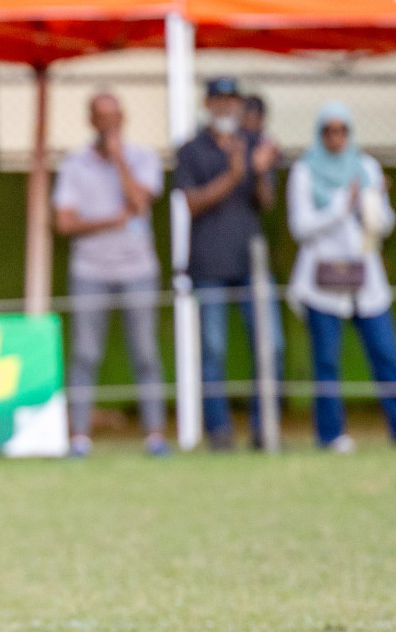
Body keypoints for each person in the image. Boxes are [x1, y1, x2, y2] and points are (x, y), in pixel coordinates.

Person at [288, 102, 396, 454]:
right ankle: (331, 434)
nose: (335, 138)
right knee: (327, 360)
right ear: (320, 135)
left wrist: (372, 203)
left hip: (367, 282)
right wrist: (340, 207)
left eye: (341, 130)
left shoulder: (366, 168)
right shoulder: (304, 172)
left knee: (386, 354)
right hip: (323, 283)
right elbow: (300, 227)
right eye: (328, 131)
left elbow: (385, 224)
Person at [53, 93, 168, 457]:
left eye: (114, 116)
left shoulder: (144, 158)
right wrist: (109, 221)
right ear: (91, 121)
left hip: (138, 269)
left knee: (146, 352)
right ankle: (79, 439)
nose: (108, 124)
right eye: (101, 118)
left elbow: (139, 202)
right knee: (85, 354)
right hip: (90, 270)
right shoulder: (74, 164)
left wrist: (118, 158)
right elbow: (64, 222)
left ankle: (155, 435)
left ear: (124, 118)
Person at [172, 76, 284, 450]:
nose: (225, 107)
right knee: (213, 351)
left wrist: (259, 171)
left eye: (231, 101)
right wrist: (236, 172)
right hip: (208, 265)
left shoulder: (254, 143)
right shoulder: (190, 150)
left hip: (251, 263)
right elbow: (191, 203)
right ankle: (219, 432)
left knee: (271, 346)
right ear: (207, 104)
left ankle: (262, 428)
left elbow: (264, 203)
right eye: (218, 100)